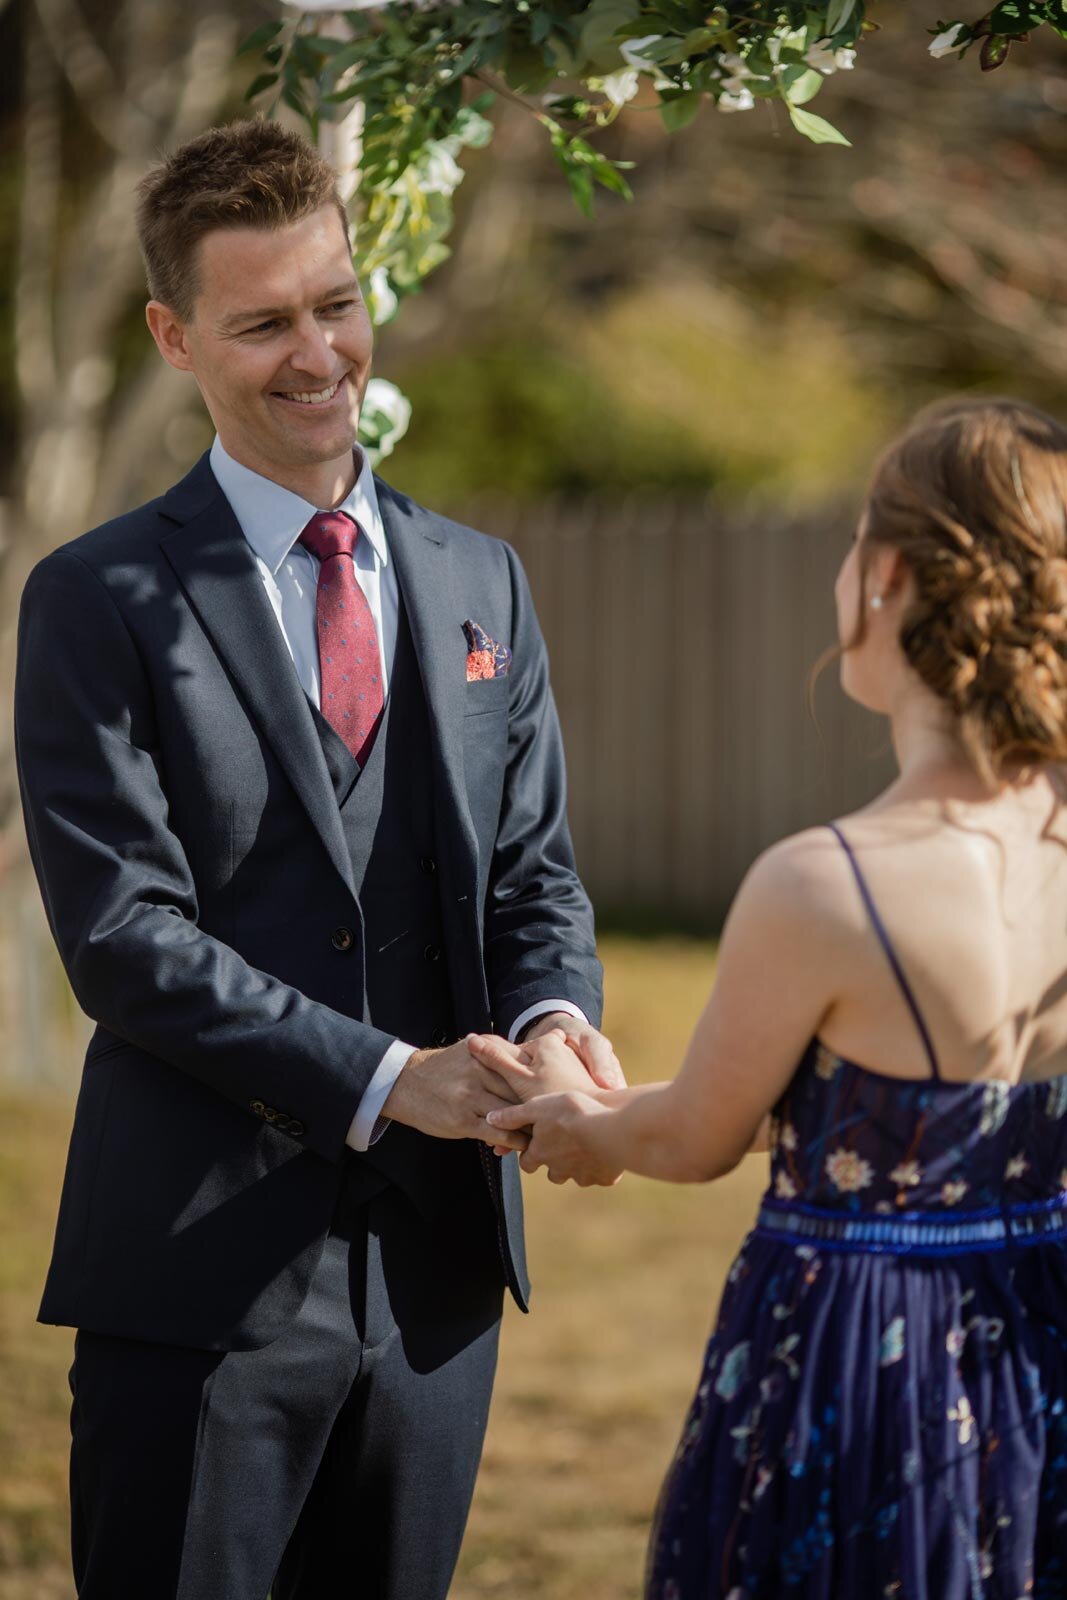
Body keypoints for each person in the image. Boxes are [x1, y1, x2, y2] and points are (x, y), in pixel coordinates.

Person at [13, 118, 621, 1600]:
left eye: (335, 304)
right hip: (193, 1287)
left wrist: (551, 1019)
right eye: (263, 321)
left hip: (437, 1292)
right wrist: (384, 1079)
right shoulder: (94, 600)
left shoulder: (482, 579)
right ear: (173, 336)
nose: (317, 354)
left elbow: (530, 871)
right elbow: (124, 939)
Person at [480, 396, 1067, 1597]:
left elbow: (700, 1133)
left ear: (887, 576)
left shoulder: (823, 884)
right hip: (1041, 1338)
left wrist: (576, 1119)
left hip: (864, 1368)